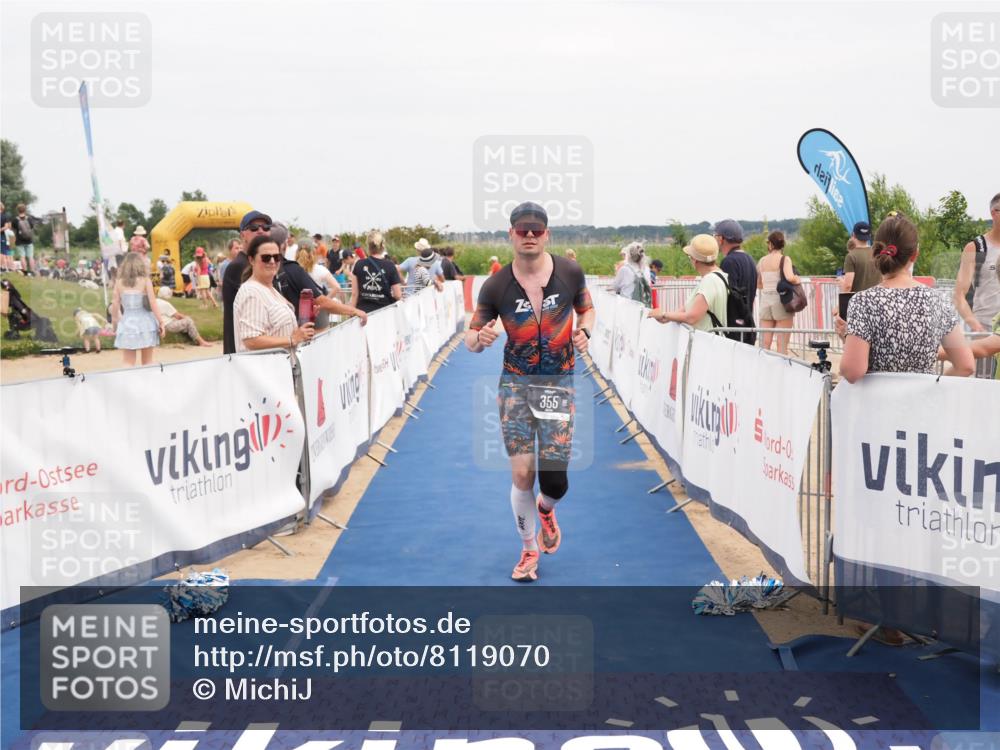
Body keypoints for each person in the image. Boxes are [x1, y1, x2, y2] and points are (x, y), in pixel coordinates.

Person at [465, 201, 595, 583]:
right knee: (522, 473)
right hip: (515, 387)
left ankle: (546, 509)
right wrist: (480, 338)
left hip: (557, 385)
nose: (530, 236)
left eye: (537, 230)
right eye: (523, 230)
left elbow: (588, 310)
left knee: (555, 482)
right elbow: (470, 337)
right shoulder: (496, 285)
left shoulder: (570, 272)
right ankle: (528, 549)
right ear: (511, 234)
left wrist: (586, 331)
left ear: (547, 234)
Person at [836, 212, 973, 382]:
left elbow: (852, 371)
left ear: (875, 253)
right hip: (922, 398)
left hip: (878, 398)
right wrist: (934, 386)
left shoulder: (863, 302)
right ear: (915, 254)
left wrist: (847, 337)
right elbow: (966, 365)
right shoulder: (938, 301)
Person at [272, 226, 368, 328]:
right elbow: (332, 291)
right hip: (316, 319)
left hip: (286, 324)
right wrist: (352, 310)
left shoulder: (275, 270)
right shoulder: (301, 269)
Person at [234, 235, 316, 352]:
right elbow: (251, 340)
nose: (272, 261)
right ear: (251, 260)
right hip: (264, 363)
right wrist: (292, 339)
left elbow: (276, 330)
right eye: (266, 258)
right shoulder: (251, 292)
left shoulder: (269, 288)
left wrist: (303, 325)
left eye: (277, 257)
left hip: (281, 361)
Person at [953, 192, 1000, 378]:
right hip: (985, 329)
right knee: (984, 385)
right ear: (994, 213)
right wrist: (974, 324)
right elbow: (959, 295)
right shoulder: (976, 247)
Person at [649, 234, 728, 331]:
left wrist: (664, 314)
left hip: (705, 338)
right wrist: (667, 317)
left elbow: (692, 317)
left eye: (690, 256)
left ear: (695, 260)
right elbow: (686, 310)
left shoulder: (710, 281)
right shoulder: (722, 276)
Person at [224, 210, 272, 354]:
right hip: (244, 351)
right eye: (254, 228)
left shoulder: (262, 264)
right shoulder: (239, 266)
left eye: (265, 227)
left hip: (260, 348)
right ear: (242, 235)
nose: (260, 231)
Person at [112, 252, 165, 367]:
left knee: (127, 362)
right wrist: (161, 322)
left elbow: (115, 304)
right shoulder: (145, 280)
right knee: (147, 362)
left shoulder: (119, 282)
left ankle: (127, 379)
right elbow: (153, 303)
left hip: (127, 324)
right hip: (146, 324)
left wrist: (115, 324)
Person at [756, 230, 800, 355]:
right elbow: (790, 277)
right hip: (781, 301)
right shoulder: (784, 259)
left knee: (765, 343)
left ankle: (764, 365)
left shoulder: (762, 261)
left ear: (770, 244)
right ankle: (781, 366)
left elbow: (759, 284)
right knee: (782, 344)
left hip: (765, 301)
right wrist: (797, 279)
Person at [714, 219, 757, 344]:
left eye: (715, 236)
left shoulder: (729, 262)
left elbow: (728, 295)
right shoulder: (749, 259)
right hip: (747, 322)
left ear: (721, 239)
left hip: (734, 326)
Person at [352, 229, 403, 313]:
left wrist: (352, 313)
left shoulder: (359, 264)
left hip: (363, 313)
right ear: (383, 246)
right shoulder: (390, 265)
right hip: (384, 312)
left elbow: (354, 294)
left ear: (368, 246)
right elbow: (397, 295)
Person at [839, 221, 880, 293]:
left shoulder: (851, 256)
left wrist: (841, 282)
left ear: (853, 235)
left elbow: (848, 286)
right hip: (878, 298)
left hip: (859, 299)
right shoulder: (878, 253)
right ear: (869, 235)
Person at [611, 241, 652, 306]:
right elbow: (648, 284)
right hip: (643, 304)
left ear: (629, 255)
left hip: (627, 304)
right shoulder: (646, 269)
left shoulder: (624, 269)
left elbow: (615, 286)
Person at [13, 204, 38, 275]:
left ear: (18, 210)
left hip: (19, 241)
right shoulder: (29, 219)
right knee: (30, 257)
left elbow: (14, 229)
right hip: (29, 240)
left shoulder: (15, 220)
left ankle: (25, 272)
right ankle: (32, 272)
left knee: (22, 257)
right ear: (25, 210)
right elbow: (32, 227)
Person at [0, 202, 12, 272]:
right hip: (3, 237)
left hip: (4, 237)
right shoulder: (5, 216)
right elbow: (7, 227)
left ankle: (4, 267)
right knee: (4, 253)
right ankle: (4, 268)